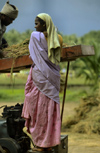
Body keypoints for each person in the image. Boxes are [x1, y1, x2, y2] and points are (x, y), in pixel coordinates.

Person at [22, 13, 63, 152]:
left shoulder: (35, 36)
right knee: (48, 110)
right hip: (52, 77)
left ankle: (41, 144)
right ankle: (48, 144)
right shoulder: (58, 38)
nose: (35, 26)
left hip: (40, 76)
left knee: (39, 111)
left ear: (45, 24)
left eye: (37, 23)